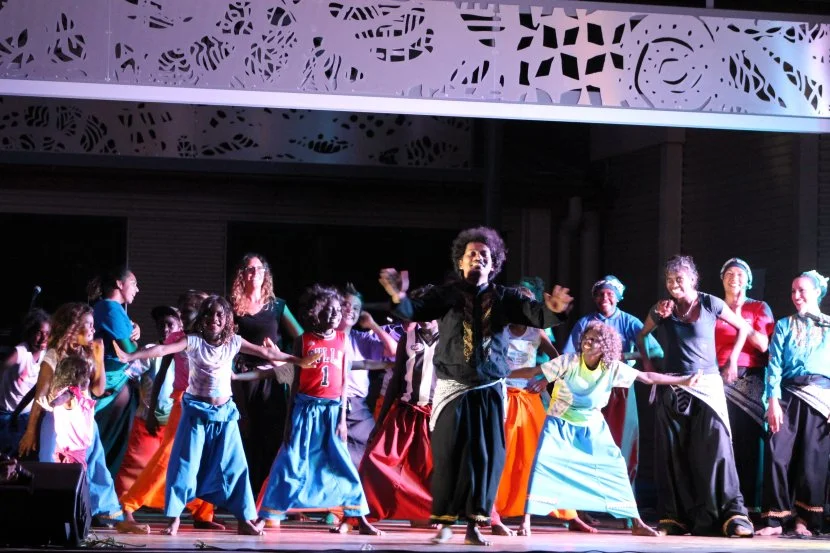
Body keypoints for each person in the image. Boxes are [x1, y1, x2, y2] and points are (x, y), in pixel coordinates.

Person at [379, 226, 573, 546]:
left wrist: (554, 310)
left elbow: (536, 315)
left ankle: (475, 526)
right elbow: (414, 310)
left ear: (493, 263)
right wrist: (398, 296)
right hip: (452, 387)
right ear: (461, 262)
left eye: (485, 255)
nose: (478, 258)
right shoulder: (446, 294)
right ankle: (443, 523)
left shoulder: (506, 297)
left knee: (485, 458)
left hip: (489, 388)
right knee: (447, 456)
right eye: (472, 254)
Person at [113, 295, 317, 536]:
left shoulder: (233, 342)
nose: (214, 319)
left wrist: (299, 361)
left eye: (220, 314)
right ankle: (174, 518)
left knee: (236, 466)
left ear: (228, 320)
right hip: (196, 414)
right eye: (209, 313)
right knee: (184, 465)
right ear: (202, 318)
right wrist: (130, 356)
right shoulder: (193, 341)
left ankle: (244, 519)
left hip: (225, 415)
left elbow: (267, 353)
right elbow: (162, 349)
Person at [513, 321, 700, 536]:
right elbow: (533, 371)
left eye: (594, 339)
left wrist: (684, 381)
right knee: (543, 464)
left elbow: (647, 377)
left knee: (616, 467)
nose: (587, 342)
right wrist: (500, 373)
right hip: (560, 423)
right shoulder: (569, 361)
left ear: (605, 345)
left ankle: (636, 522)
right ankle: (525, 521)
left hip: (592, 425)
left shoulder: (612, 367)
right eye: (586, 338)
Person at [637, 255, 754, 537]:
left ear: (692, 279)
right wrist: (650, 366)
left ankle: (732, 515)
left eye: (679, 279)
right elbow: (642, 336)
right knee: (674, 453)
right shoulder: (663, 309)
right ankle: (674, 519)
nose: (674, 284)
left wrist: (733, 360)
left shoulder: (711, 303)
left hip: (707, 384)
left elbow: (743, 328)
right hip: (675, 384)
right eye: (669, 280)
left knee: (716, 450)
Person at [257, 284, 385, 535]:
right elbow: (295, 381)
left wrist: (342, 421)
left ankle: (360, 519)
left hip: (332, 412)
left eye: (338, 310)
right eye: (330, 309)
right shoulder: (303, 340)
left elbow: (345, 381)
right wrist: (288, 421)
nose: (336, 314)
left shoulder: (342, 340)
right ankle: (266, 515)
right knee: (288, 462)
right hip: (305, 411)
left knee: (344, 466)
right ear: (316, 311)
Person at [19, 303, 148, 533]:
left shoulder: (89, 353)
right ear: (73, 326)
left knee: (97, 467)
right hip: (58, 422)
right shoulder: (54, 353)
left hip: (85, 420)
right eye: (87, 324)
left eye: (93, 324)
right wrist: (30, 431)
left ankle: (116, 519)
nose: (92, 329)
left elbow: (98, 390)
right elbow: (41, 394)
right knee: (52, 465)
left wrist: (98, 359)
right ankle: (49, 516)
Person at [119, 291, 222, 530]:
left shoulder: (209, 339)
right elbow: (160, 368)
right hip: (182, 405)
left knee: (204, 460)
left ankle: (203, 514)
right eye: (182, 312)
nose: (182, 316)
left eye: (186, 312)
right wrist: (153, 407)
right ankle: (129, 506)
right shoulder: (177, 338)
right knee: (165, 460)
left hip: (205, 408)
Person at [493, 285, 575, 535]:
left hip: (527, 398)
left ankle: (564, 512)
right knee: (502, 455)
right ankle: (494, 510)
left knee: (535, 456)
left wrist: (544, 380)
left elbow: (557, 359)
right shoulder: (500, 329)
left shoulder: (536, 332)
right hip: (503, 395)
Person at [756, 270, 830, 537]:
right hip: (787, 394)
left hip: (821, 398)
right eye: (793, 291)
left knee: (813, 461)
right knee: (777, 454)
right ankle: (774, 520)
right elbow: (773, 367)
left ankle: (805, 520)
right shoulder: (784, 325)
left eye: (802, 290)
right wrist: (773, 401)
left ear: (817, 292)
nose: (796, 296)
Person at [359, 285, 438, 525]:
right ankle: (361, 514)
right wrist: (381, 420)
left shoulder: (451, 339)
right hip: (407, 411)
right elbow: (395, 381)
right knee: (375, 459)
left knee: (434, 469)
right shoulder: (408, 337)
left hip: (436, 414)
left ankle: (433, 513)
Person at [230, 253, 303, 495]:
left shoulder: (277, 305)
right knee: (248, 433)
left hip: (275, 374)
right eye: (249, 269)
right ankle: (247, 495)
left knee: (275, 432)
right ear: (242, 274)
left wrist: (279, 354)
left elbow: (301, 337)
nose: (254, 274)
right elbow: (227, 341)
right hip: (245, 375)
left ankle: (273, 495)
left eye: (259, 269)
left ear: (265, 274)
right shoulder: (233, 306)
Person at [714, 258, 774, 516]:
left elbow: (762, 345)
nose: (734, 277)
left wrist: (739, 318)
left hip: (749, 375)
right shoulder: (714, 307)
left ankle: (749, 504)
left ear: (749, 280)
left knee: (748, 441)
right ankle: (721, 504)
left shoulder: (758, 307)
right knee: (719, 442)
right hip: (716, 377)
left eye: (740, 273)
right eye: (728, 273)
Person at [113, 305, 180, 497]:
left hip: (175, 423)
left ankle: (184, 510)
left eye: (170, 324)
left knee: (171, 469)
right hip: (149, 421)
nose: (165, 329)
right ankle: (122, 509)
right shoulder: (150, 351)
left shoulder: (187, 352)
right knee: (134, 466)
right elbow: (129, 375)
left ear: (181, 325)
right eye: (161, 325)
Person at [339, 283, 399, 469]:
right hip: (332, 405)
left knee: (374, 451)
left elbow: (393, 351)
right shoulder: (325, 337)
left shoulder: (361, 338)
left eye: (356, 308)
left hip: (357, 407)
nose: (351, 310)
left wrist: (372, 324)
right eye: (346, 305)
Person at [88, 266, 141, 475]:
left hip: (113, 379)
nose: (137, 289)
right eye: (134, 283)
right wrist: (137, 346)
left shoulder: (112, 309)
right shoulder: (110, 309)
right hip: (109, 380)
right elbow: (128, 349)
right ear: (120, 284)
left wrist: (135, 329)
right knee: (108, 437)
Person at [0, 309, 50, 455]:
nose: (43, 338)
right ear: (30, 332)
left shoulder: (45, 357)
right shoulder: (20, 352)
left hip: (25, 415)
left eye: (47, 334)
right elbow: (2, 367)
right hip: (5, 414)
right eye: (39, 333)